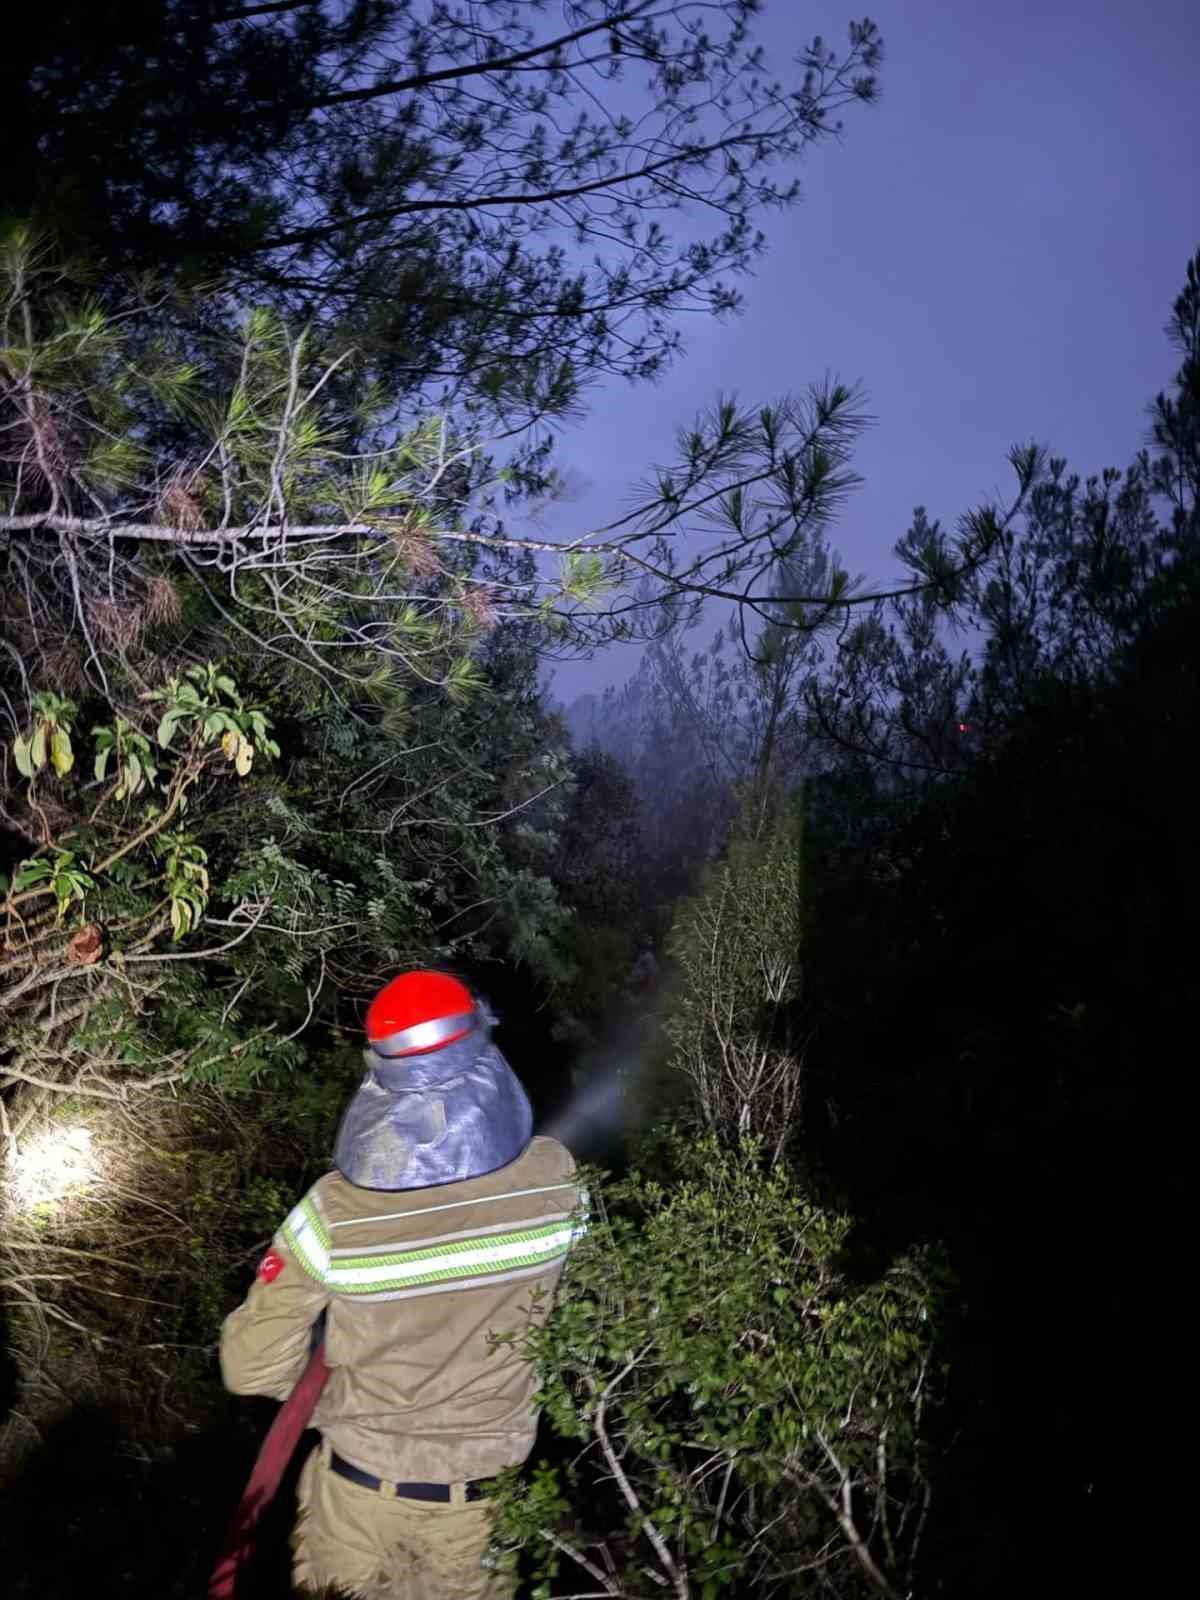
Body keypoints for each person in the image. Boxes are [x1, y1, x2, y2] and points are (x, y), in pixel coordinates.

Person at [219, 969, 582, 1599]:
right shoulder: (555, 1180)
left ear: (380, 1072)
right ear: (482, 1053)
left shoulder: (333, 1213)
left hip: (355, 1511)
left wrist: (338, 1404)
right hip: (484, 1518)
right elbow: (569, 1317)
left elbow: (249, 1369)